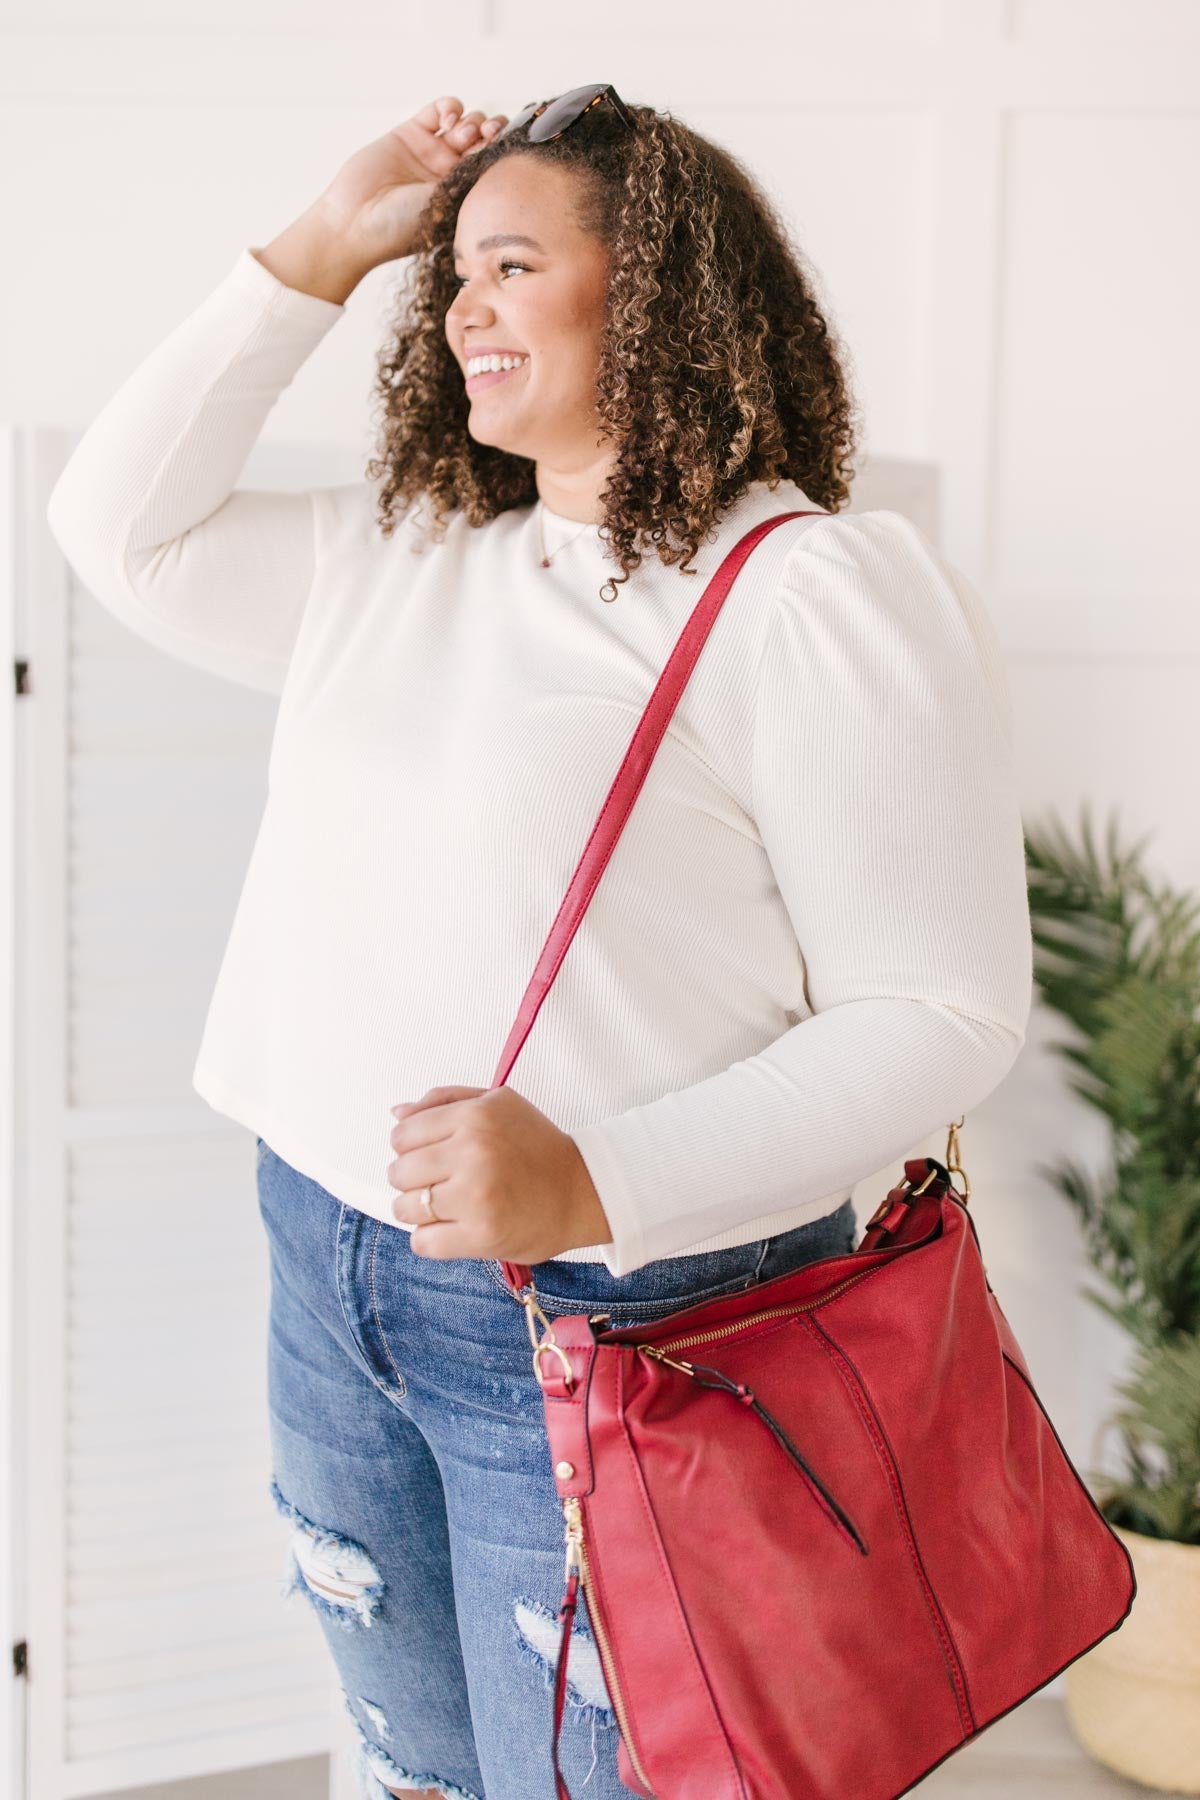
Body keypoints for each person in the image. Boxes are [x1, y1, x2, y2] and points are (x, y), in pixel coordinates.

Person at [46, 84, 1033, 1800]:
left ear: (649, 291)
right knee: (413, 1769)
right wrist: (320, 247)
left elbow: (939, 1009)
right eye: (455, 275)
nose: (462, 307)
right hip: (328, 1265)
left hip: (620, 1317)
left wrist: (598, 1177)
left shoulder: (801, 591)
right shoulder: (413, 554)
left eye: (514, 263)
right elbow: (113, 530)